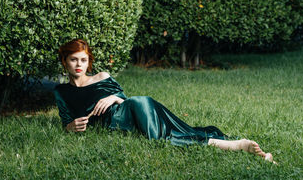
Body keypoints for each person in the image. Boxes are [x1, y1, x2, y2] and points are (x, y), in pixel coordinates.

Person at [54, 39, 276, 163]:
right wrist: (72, 127)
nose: (79, 64)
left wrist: (112, 97)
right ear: (65, 62)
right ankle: (235, 145)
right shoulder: (61, 92)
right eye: (73, 60)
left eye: (83, 59)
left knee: (160, 138)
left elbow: (124, 98)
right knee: (166, 135)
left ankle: (235, 145)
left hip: (132, 110)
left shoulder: (101, 77)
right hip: (115, 126)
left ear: (89, 61)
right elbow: (67, 122)